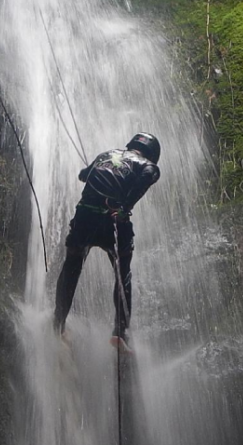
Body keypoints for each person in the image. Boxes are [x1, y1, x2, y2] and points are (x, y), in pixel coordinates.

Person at [52, 132, 161, 351]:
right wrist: (124, 207)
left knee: (72, 265)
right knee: (122, 274)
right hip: (113, 222)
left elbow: (83, 175)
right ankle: (119, 334)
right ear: (152, 154)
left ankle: (58, 323)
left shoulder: (106, 155)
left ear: (130, 145)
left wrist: (94, 173)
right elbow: (146, 179)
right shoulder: (148, 165)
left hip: (84, 218)